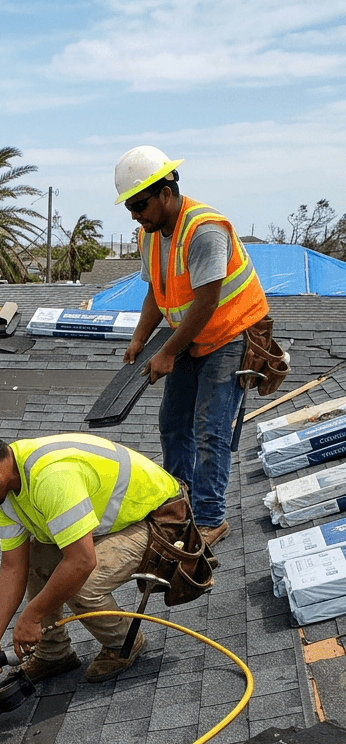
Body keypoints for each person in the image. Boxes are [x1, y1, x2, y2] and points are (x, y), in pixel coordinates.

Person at [0, 428, 183, 684]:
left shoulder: (50, 476)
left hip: (160, 519)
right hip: (110, 525)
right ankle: (53, 653)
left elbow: (82, 562)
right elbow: (12, 567)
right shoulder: (5, 493)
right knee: (37, 559)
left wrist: (32, 616)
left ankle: (124, 643)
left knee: (78, 582)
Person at [116, 145, 269, 547]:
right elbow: (156, 292)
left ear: (166, 192)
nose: (135, 213)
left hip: (226, 337)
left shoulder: (204, 231)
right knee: (172, 423)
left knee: (210, 430)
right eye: (129, 206)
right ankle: (177, 504)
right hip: (188, 338)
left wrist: (165, 352)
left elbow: (206, 302)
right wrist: (139, 339)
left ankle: (211, 516)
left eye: (140, 204)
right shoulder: (148, 235)